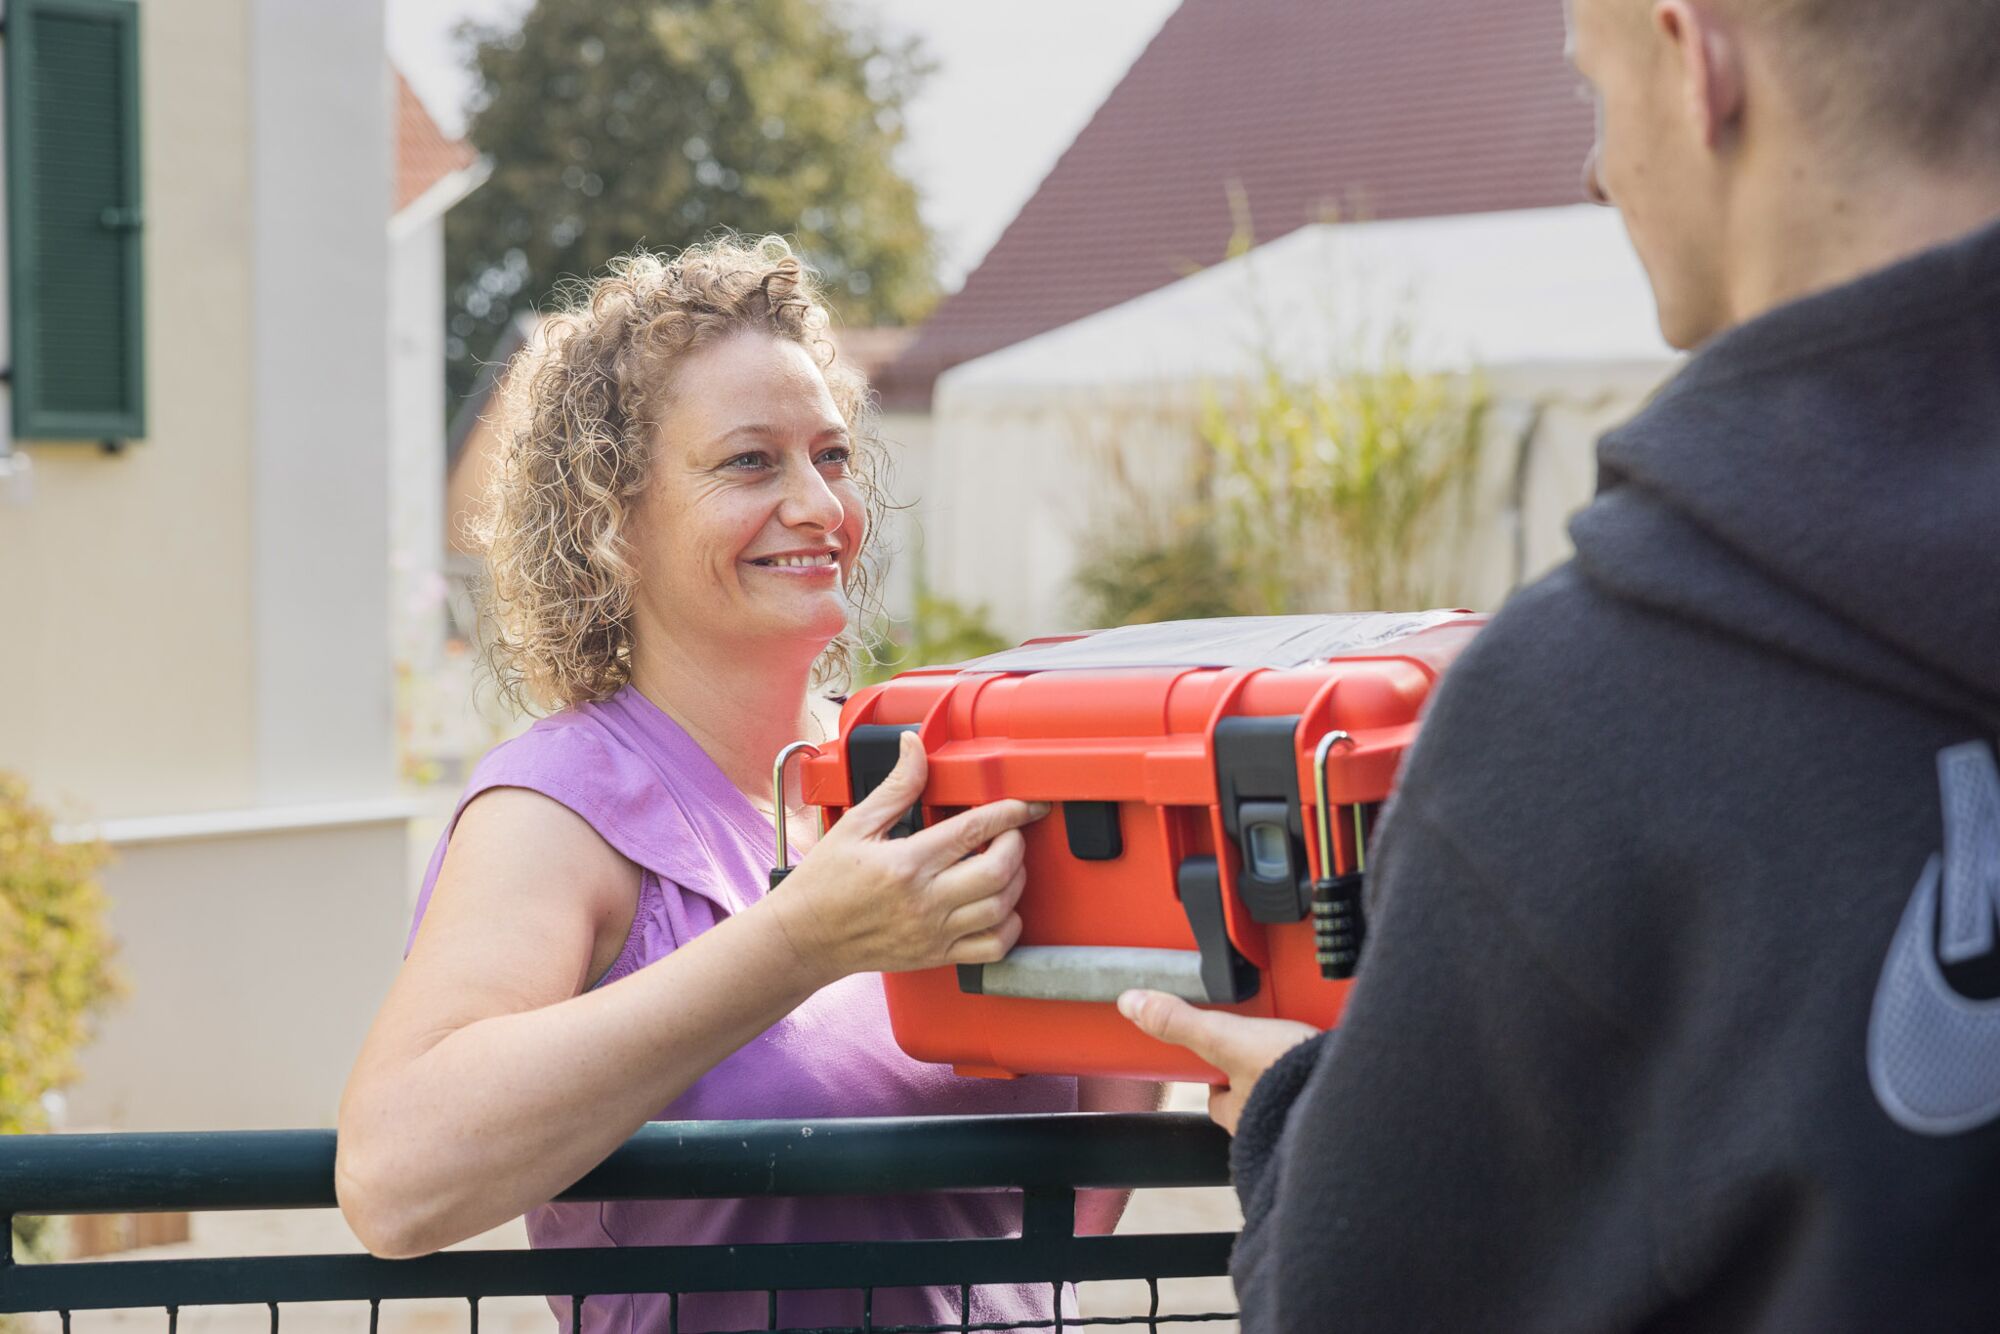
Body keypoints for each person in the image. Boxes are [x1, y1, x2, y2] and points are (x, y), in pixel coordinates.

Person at [1120, 0, 2000, 1326]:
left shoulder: (1586, 720)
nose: (1595, 170)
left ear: (1694, 61)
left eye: (1594, 89)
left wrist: (1301, 1129)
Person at [336, 236, 1158, 1334]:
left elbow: (1069, 1187)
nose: (819, 505)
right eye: (749, 463)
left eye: (831, 454)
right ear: (613, 522)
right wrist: (799, 943)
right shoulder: (555, 807)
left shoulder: (924, 765)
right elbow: (394, 1179)